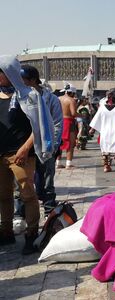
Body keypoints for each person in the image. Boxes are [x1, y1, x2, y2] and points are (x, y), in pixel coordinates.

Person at [0, 55, 55, 254]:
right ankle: (5, 232)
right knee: (3, 196)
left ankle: (31, 234)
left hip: (21, 154)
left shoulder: (29, 95)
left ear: (9, 73)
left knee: (27, 195)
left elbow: (40, 126)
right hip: (1, 154)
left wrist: (25, 148)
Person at [21, 65, 63, 215]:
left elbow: (57, 123)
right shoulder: (20, 97)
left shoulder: (51, 99)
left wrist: (52, 146)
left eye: (23, 79)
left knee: (46, 182)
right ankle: (21, 214)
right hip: (25, 147)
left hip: (46, 146)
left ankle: (49, 212)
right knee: (24, 182)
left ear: (32, 80)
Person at [89, 90, 115, 172]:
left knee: (105, 149)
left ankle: (106, 166)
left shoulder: (102, 108)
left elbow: (96, 119)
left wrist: (92, 129)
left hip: (105, 132)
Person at [56, 82, 78, 169]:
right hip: (68, 122)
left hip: (58, 121)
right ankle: (68, 163)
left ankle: (58, 162)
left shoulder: (58, 98)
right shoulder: (71, 100)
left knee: (59, 143)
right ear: (72, 92)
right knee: (70, 143)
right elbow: (73, 113)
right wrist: (81, 115)